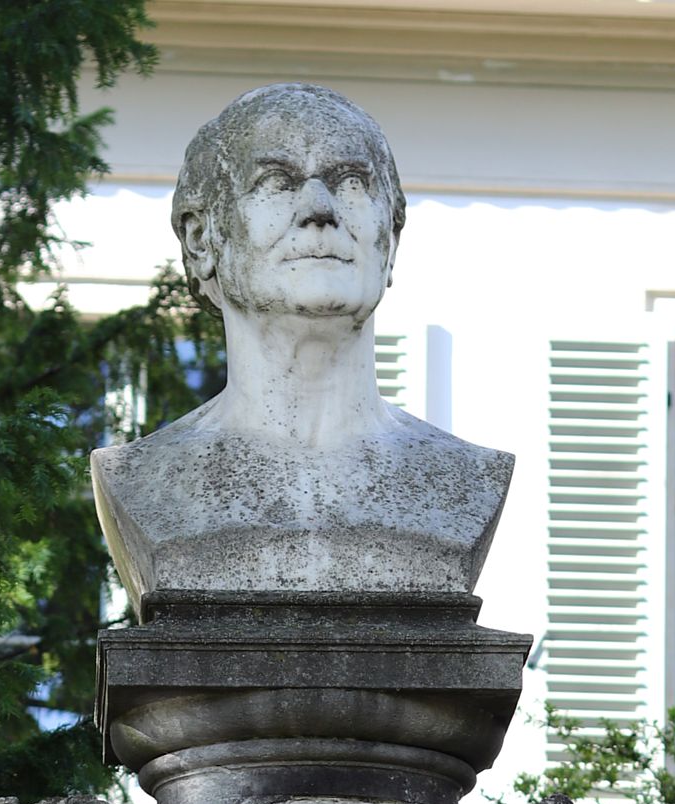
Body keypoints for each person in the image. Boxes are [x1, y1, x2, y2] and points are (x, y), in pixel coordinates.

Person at [90, 82, 512, 599]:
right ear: (203, 240)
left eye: (352, 182)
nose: (319, 208)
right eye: (276, 181)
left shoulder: (463, 482)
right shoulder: (143, 483)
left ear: (392, 239)